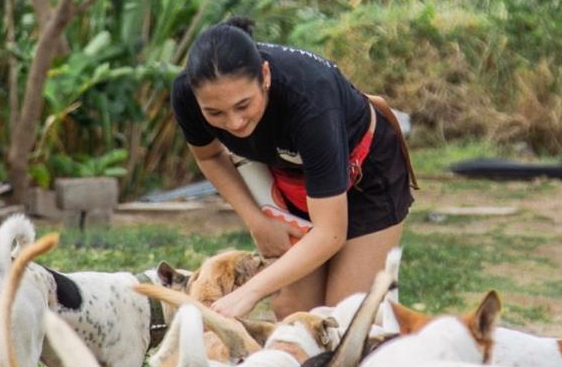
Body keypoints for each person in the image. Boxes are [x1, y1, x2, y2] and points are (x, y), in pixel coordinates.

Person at [170, 17, 417, 318]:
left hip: (366, 176)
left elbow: (330, 233)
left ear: (265, 75)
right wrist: (257, 220)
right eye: (215, 112)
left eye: (244, 105)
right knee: (292, 312)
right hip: (291, 177)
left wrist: (249, 292)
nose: (234, 123)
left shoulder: (310, 101)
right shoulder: (186, 95)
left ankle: (380, 304)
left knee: (341, 319)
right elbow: (209, 156)